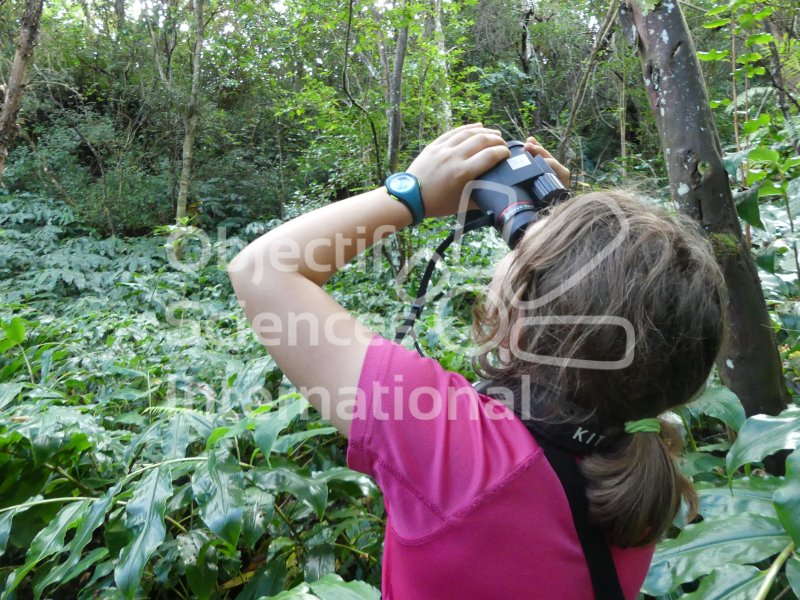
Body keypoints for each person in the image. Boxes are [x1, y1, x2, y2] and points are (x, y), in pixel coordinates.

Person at [227, 124, 727, 599]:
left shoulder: (456, 453)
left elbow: (262, 270)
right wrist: (573, 230)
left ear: (524, 329)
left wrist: (408, 194)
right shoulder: (642, 454)